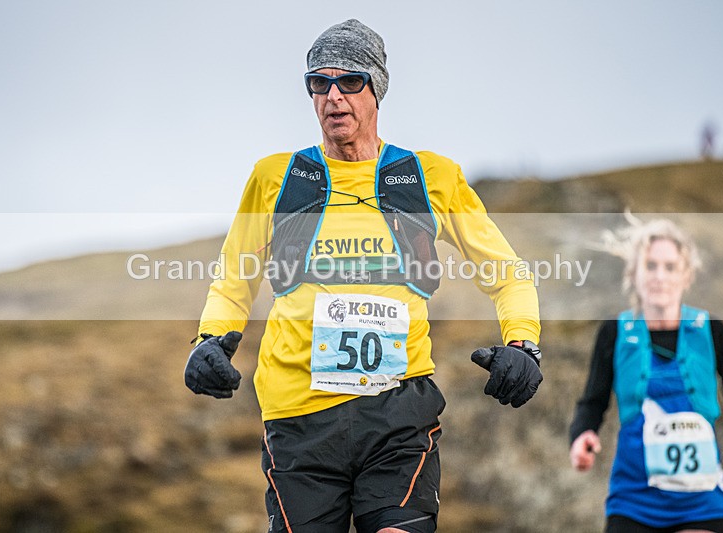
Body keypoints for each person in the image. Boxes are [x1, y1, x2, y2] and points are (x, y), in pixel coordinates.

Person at [184, 19, 542, 533]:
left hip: (397, 414)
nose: (333, 96)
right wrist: (208, 342)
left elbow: (508, 274)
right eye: (318, 82)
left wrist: (523, 345)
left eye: (350, 81)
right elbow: (233, 281)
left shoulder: (430, 176)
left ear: (377, 89)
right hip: (296, 417)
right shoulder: (275, 178)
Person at [568, 217, 723, 533]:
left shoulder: (711, 330)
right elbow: (592, 401)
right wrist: (582, 434)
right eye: (650, 266)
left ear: (686, 276)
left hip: (701, 501)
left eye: (670, 267)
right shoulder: (614, 333)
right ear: (634, 274)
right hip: (632, 500)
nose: (660, 276)